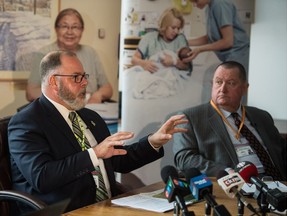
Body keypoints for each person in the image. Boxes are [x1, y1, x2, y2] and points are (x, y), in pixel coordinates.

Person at [8, 50, 188, 214]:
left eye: (84, 76)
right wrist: (95, 153)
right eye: (77, 77)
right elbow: (42, 177)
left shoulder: (88, 116)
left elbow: (118, 160)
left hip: (107, 207)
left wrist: (153, 142)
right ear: (54, 82)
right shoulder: (26, 122)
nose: (85, 82)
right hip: (63, 211)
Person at [173, 61, 287, 181]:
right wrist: (225, 171)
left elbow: (283, 151)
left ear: (244, 88)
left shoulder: (261, 116)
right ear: (212, 85)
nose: (222, 89)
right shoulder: (191, 118)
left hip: (278, 183)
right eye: (218, 82)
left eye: (231, 83)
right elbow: (184, 158)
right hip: (236, 184)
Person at [26, 8, 113, 104]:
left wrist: (97, 96)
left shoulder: (90, 53)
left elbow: (107, 88)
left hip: (88, 109)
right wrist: (65, 98)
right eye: (64, 26)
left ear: (82, 30)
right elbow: (31, 92)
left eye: (75, 27)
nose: (70, 32)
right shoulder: (44, 54)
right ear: (56, 29)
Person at [183, 0, 250, 74]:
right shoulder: (208, 9)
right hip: (230, 56)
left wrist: (199, 49)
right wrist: (184, 42)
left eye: (196, 1)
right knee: (210, 76)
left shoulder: (220, 4)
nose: (194, 5)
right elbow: (210, 38)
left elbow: (228, 41)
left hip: (239, 54)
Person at [131, 7, 192, 74]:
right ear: (165, 26)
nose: (176, 31)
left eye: (178, 28)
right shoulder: (150, 38)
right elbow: (134, 59)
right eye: (173, 28)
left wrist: (174, 61)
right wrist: (144, 63)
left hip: (172, 79)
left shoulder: (180, 39)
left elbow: (187, 67)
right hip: (153, 77)